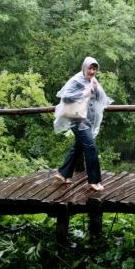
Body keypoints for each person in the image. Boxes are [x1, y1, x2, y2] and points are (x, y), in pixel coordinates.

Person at [52, 56, 111, 190]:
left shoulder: (92, 81)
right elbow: (65, 97)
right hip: (78, 121)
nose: (92, 71)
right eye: (90, 68)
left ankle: (63, 174)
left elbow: (101, 99)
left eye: (94, 69)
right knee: (91, 148)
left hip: (87, 121)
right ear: (85, 67)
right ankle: (94, 181)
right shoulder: (76, 80)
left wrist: (95, 89)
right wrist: (83, 94)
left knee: (78, 148)